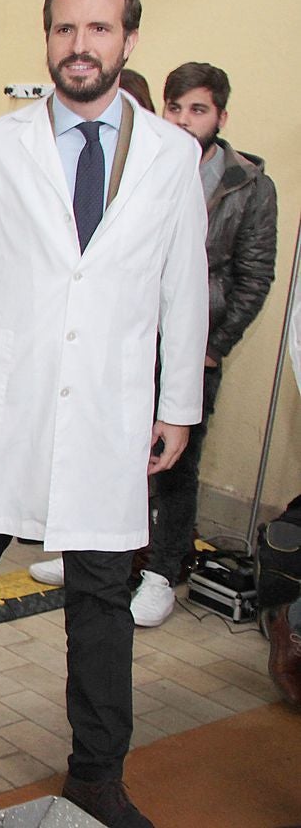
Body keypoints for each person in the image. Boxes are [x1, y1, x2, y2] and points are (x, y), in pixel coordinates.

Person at [0, 0, 207, 828]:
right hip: (6, 391)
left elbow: (186, 289)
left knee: (103, 593)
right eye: (66, 30)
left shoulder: (173, 158)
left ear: (129, 41)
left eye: (99, 30)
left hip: (108, 405)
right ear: (48, 40)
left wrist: (177, 403)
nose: (81, 46)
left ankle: (97, 771)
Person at [28, 63, 278, 631]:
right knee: (105, 446)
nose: (186, 121)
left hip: (197, 345)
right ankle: (89, 551)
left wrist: (211, 345)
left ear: (221, 116)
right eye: (176, 108)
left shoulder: (248, 185)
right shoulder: (149, 157)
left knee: (175, 463)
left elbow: (253, 276)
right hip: (129, 338)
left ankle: (163, 571)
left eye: (199, 110)